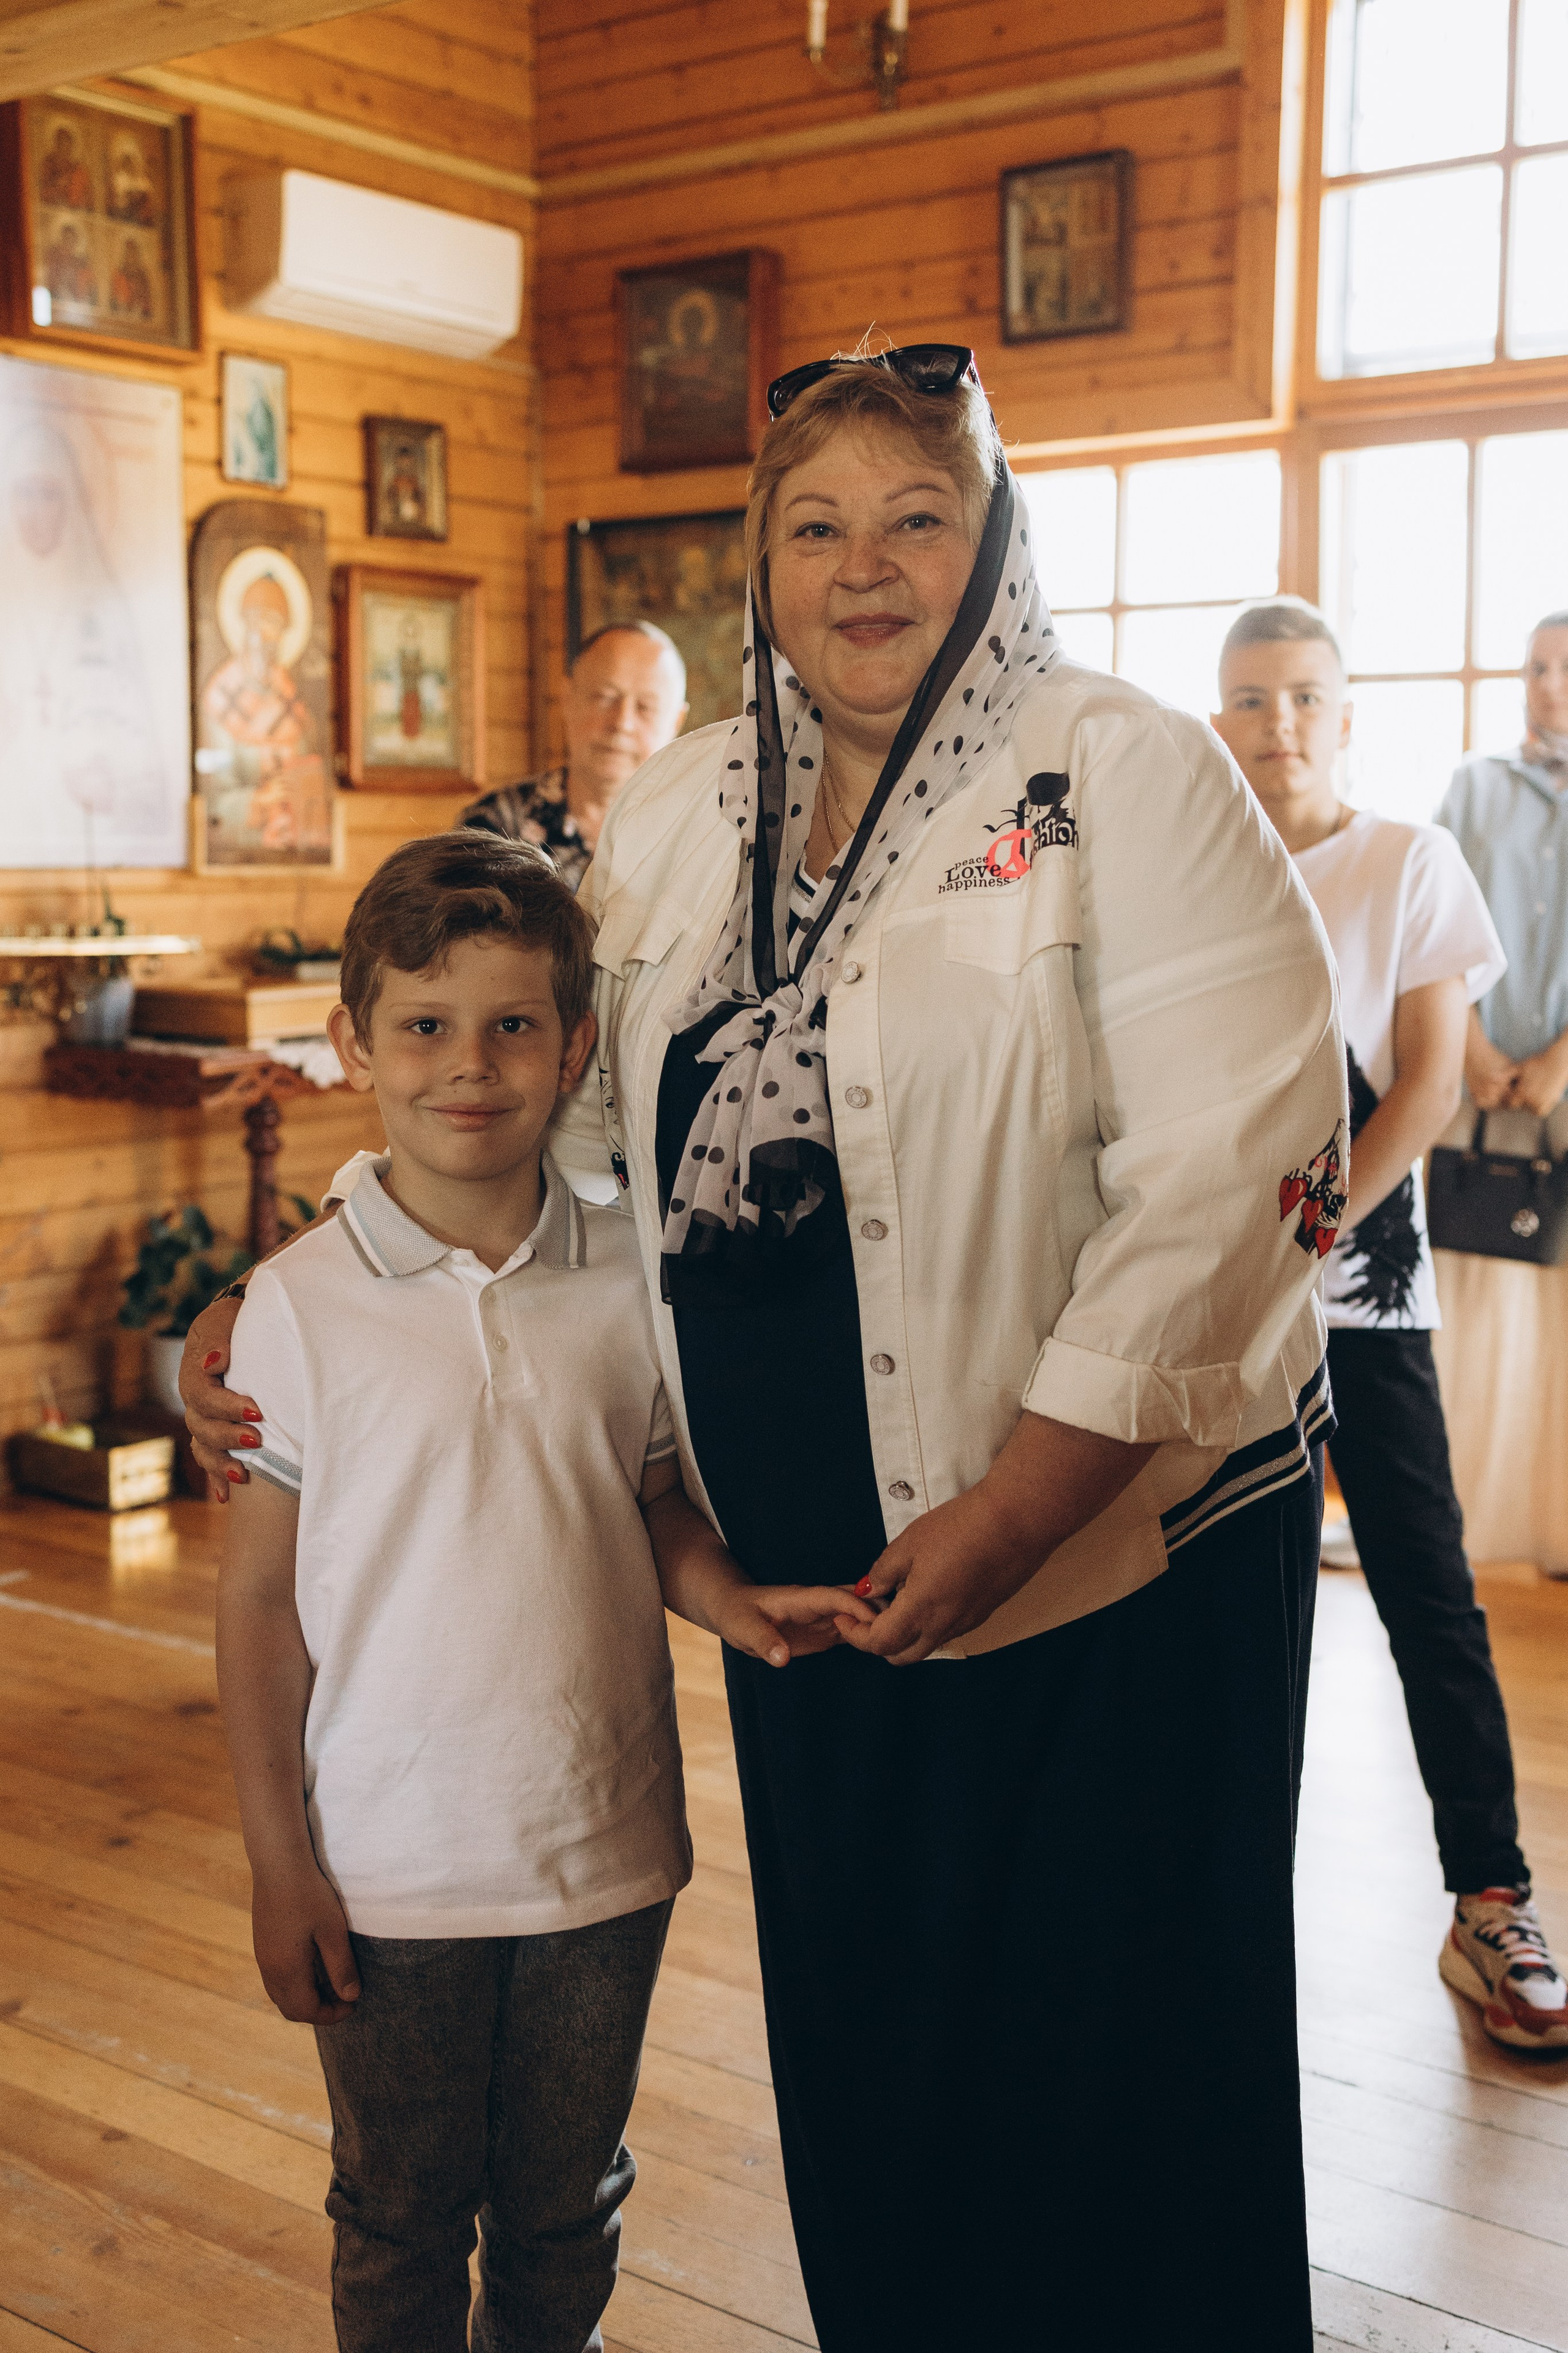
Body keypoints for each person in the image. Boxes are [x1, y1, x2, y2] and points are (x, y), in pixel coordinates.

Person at [185, 346, 1344, 2351]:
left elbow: (1251, 1165)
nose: (863, 567)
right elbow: (536, 1120)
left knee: (1116, 2066)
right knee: (881, 2061)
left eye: (919, 516)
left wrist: (1016, 1504)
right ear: (762, 561)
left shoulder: (1120, 769)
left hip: (1106, 1581)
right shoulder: (687, 803)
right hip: (812, 1607)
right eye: (815, 524)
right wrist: (298, 1281)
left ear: (998, 548)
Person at [216, 831, 867, 2352]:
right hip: (385, 1872)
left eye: (513, 1024)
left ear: (576, 1046)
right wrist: (276, 1858)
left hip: (602, 1851)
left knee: (564, 2203)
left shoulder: (630, 1277)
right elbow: (255, 1608)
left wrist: (736, 1599)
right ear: (352, 1044)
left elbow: (642, 1500)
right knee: (396, 2213)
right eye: (425, 1026)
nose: (470, 1066)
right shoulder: (294, 1308)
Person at [1213, 598, 1568, 2052]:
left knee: (1425, 1582)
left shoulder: (1406, 859)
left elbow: (1422, 1084)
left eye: (1302, 698)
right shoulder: (1187, 864)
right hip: (1208, 1302)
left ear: (1343, 714)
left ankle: (1488, 1897)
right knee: (1238, 1601)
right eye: (1248, 700)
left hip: (1362, 1288)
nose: (1276, 725)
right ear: (1218, 716)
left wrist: (1295, 1246)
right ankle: (1212, 1900)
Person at [1430, 613, 1568, 1577]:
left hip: (1563, 1081)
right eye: (1538, 666)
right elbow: (1433, 924)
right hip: (1475, 1080)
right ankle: (1462, 1522)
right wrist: (1470, 1045)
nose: (1551, 684)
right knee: (1474, 1304)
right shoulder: (1473, 788)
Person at [460, 622, 688, 891]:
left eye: (645, 707)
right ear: (567, 699)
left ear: (677, 722)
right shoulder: (495, 825)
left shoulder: (697, 833)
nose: (622, 723)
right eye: (605, 697)